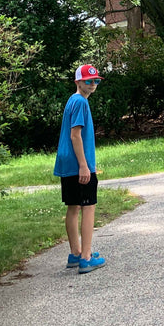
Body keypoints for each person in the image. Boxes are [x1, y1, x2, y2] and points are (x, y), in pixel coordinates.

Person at [54, 64, 106, 274]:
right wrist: (84, 166)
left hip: (67, 163)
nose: (92, 85)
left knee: (73, 206)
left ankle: (75, 253)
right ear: (78, 82)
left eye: (96, 81)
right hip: (78, 164)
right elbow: (76, 135)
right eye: (88, 81)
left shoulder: (72, 101)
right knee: (88, 206)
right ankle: (86, 257)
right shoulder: (80, 102)